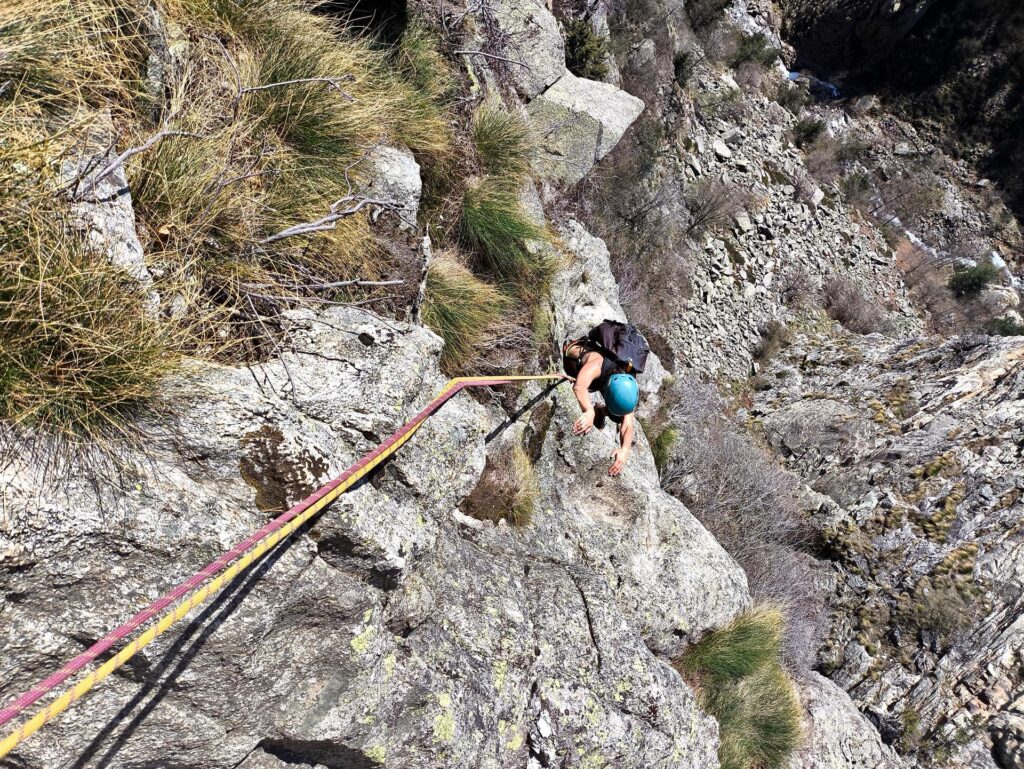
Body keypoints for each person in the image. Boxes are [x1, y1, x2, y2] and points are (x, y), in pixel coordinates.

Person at [562, 335, 640, 477]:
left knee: (618, 416)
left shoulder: (626, 387)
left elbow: (628, 425)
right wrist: (588, 410)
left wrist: (625, 450)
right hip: (573, 362)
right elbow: (579, 387)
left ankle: (601, 411)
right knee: (585, 387)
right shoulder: (597, 365)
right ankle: (596, 411)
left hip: (604, 381)